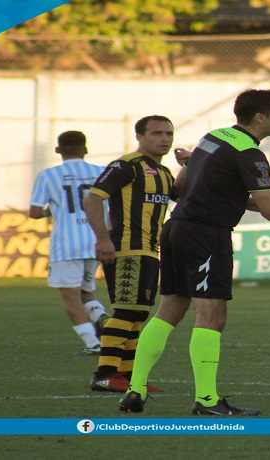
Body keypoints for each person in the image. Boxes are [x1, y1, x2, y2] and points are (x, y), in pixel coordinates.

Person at [118, 89, 270, 416]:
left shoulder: (214, 136)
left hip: (177, 228)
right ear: (260, 117)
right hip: (206, 235)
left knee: (169, 310)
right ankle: (206, 401)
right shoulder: (251, 154)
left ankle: (135, 390)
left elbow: (191, 186)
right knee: (212, 316)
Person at [83, 115, 181, 393]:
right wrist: (103, 239)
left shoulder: (163, 173)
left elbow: (182, 194)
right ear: (140, 137)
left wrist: (187, 165)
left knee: (138, 315)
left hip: (150, 249)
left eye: (169, 134)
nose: (164, 139)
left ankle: (127, 376)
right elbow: (92, 198)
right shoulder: (126, 165)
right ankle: (105, 374)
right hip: (127, 247)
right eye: (157, 133)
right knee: (126, 311)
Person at [28, 131, 110, 355]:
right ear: (85, 149)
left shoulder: (48, 175)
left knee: (70, 295)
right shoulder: (101, 173)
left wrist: (50, 211)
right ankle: (99, 314)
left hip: (66, 243)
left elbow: (34, 211)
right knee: (85, 290)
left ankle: (93, 344)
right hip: (95, 240)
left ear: (58, 150)